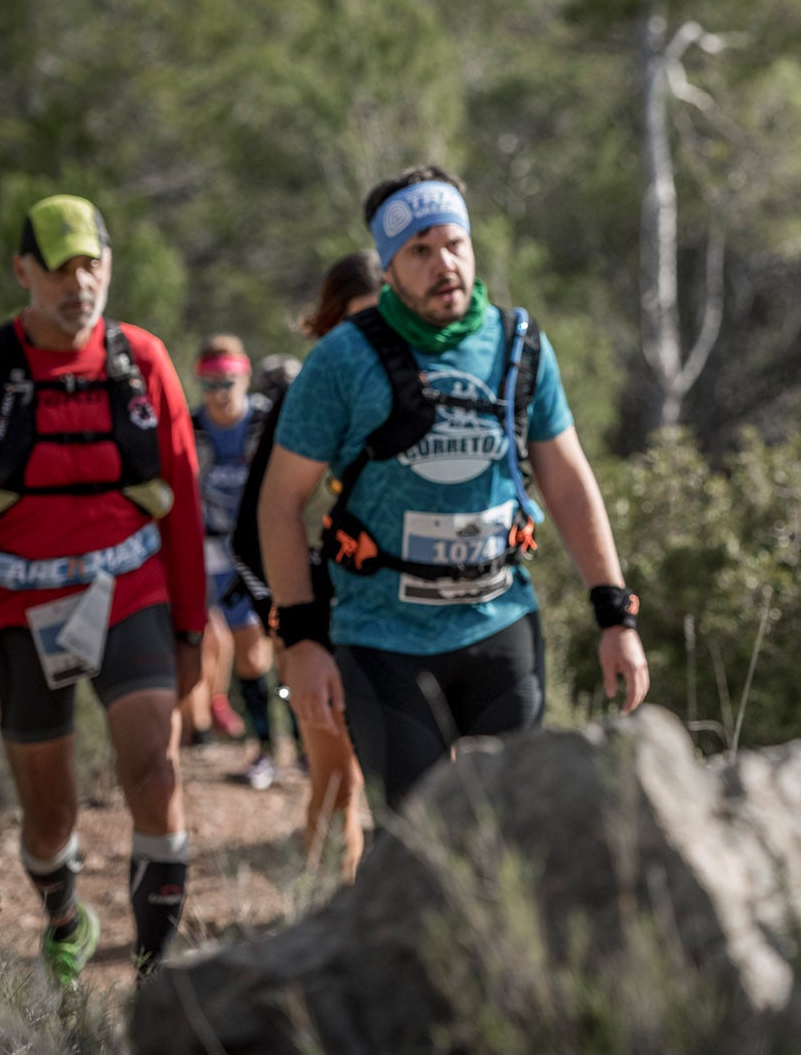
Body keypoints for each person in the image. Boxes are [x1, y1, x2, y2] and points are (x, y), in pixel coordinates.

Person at [258, 167, 651, 810]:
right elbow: (279, 502)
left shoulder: (520, 347)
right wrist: (302, 642)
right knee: (420, 840)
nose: (444, 264)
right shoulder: (341, 361)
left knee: (517, 831)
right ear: (387, 267)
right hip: (383, 637)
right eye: (419, 250)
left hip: (501, 624)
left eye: (455, 244)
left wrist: (615, 615)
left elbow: (570, 485)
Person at [0, 195, 205, 983]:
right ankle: (66, 915)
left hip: (128, 591)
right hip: (15, 606)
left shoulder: (143, 358)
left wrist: (193, 632)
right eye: (62, 267)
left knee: (156, 771)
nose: (81, 282)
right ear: (23, 271)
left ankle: (155, 973)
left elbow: (184, 503)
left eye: (94, 262)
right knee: (50, 815)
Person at [227, 252, 381, 876]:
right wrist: (287, 618)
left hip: (393, 612)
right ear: (329, 322)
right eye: (359, 321)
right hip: (314, 621)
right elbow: (249, 531)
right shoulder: (307, 394)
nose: (376, 336)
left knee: (402, 778)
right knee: (337, 779)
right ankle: (320, 910)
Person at [192, 335, 279, 788]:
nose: (220, 392)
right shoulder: (191, 428)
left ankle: (299, 746)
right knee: (242, 647)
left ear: (245, 376)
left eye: (228, 381)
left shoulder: (267, 419)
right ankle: (263, 747)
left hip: (266, 546)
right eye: (209, 383)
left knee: (275, 645)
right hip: (212, 551)